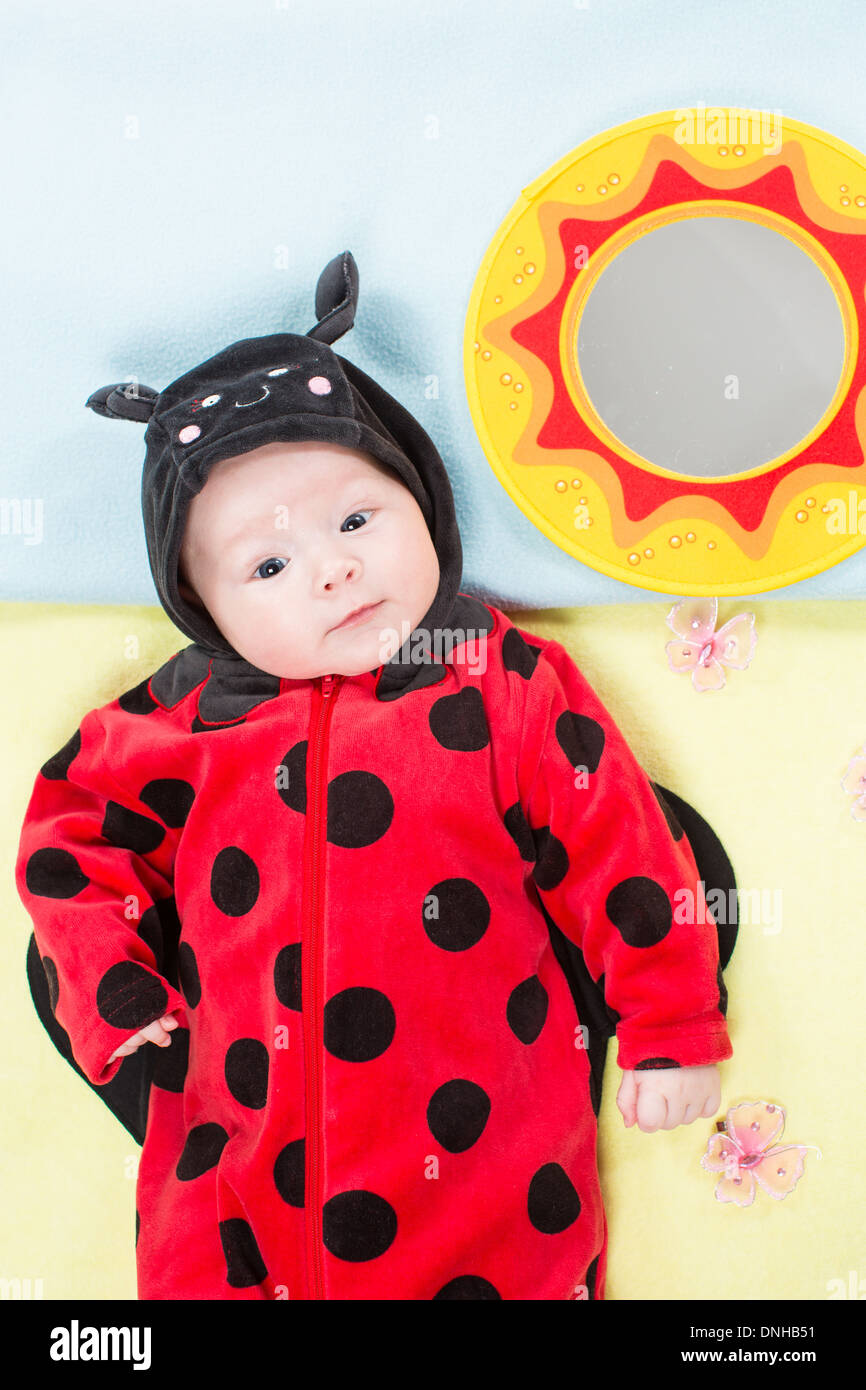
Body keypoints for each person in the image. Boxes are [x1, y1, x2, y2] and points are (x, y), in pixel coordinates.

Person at [15, 251, 732, 1300]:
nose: (332, 568)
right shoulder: (172, 725)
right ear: (201, 606)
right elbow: (65, 836)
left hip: (484, 1176)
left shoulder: (497, 682)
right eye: (266, 566)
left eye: (355, 520)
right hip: (228, 1186)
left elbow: (617, 845)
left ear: (420, 497)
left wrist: (667, 1024)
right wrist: (110, 983)